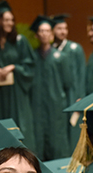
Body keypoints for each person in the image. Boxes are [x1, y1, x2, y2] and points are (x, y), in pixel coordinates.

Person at [0, 1, 36, 150]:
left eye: (11, 19)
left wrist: (13, 67)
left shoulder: (20, 41)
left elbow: (30, 65)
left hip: (16, 92)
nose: (9, 23)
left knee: (20, 124)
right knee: (0, 124)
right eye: (5, 19)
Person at [30, 16, 72, 161]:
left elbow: (68, 84)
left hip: (57, 108)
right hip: (37, 108)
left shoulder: (61, 57)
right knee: (39, 144)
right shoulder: (32, 58)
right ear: (36, 34)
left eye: (47, 30)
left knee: (57, 144)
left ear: (51, 34)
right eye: (41, 31)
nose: (44, 34)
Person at [51, 14, 86, 149]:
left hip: (74, 95)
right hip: (58, 97)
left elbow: (82, 73)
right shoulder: (51, 51)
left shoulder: (75, 49)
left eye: (65, 28)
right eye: (59, 28)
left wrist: (81, 96)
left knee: (73, 132)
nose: (63, 31)